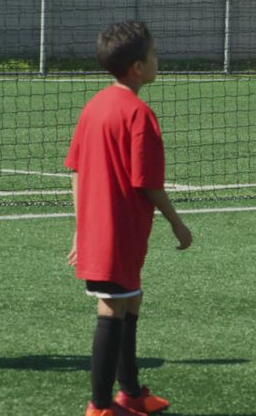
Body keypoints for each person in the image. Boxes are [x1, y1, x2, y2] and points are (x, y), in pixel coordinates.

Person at [65, 21, 193, 416]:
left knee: (130, 299)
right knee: (111, 308)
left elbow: (76, 170)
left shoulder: (94, 106)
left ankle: (131, 393)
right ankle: (100, 406)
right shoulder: (138, 114)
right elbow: (148, 184)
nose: (158, 61)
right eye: (154, 55)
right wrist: (177, 222)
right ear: (137, 67)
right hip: (116, 232)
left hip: (105, 230)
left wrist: (80, 228)